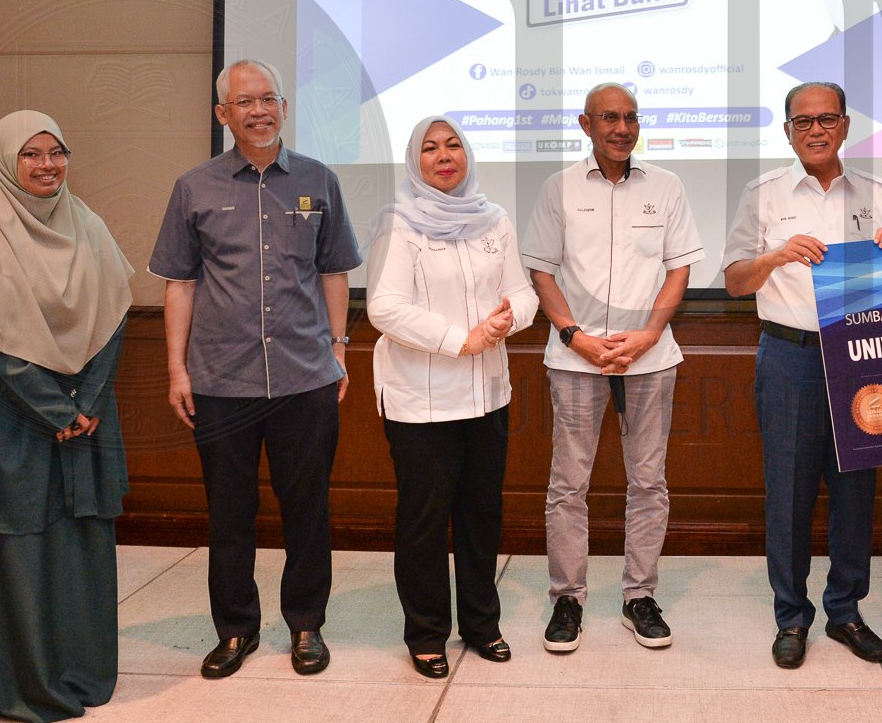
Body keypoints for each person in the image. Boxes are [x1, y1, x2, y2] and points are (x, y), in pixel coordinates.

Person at [150, 59, 362, 679]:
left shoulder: (319, 180)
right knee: (229, 514)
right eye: (245, 102)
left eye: (269, 99)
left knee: (308, 511)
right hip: (221, 379)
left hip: (305, 376)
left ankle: (306, 625)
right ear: (223, 114)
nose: (259, 110)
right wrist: (177, 370)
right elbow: (180, 284)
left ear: (285, 108)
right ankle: (236, 630)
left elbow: (334, 272)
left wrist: (339, 348)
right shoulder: (194, 187)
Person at [0, 111, 134, 722]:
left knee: (82, 542)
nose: (48, 165)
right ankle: (21, 687)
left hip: (84, 417)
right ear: (4, 160)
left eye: (56, 152)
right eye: (31, 154)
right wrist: (56, 409)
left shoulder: (86, 222)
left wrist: (88, 402)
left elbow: (113, 314)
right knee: (20, 547)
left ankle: (82, 672)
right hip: (9, 423)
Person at [722, 81, 882, 669]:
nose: (815, 130)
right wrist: (775, 256)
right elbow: (734, 282)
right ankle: (791, 616)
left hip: (863, 359)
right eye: (802, 122)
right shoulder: (762, 194)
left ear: (845, 125)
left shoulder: (878, 194)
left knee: (855, 490)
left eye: (826, 119)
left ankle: (846, 611)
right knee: (789, 491)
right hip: (791, 357)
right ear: (787, 132)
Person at [521, 83, 703, 653]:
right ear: (586, 124)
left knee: (648, 481)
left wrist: (648, 335)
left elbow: (679, 269)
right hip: (576, 358)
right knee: (568, 485)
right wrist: (575, 337)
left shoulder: (667, 186)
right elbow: (542, 271)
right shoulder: (559, 188)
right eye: (609, 118)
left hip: (650, 357)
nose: (622, 128)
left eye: (630, 118)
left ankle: (639, 596)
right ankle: (567, 599)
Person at [367, 115, 538, 679]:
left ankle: (482, 625)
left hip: (487, 394)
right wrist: (460, 340)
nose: (444, 156)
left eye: (453, 145)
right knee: (424, 520)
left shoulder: (494, 219)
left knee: (480, 515)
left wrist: (510, 318)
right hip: (421, 401)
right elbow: (384, 307)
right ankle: (425, 633)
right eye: (430, 148)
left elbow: (522, 291)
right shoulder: (399, 224)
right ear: (415, 160)